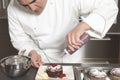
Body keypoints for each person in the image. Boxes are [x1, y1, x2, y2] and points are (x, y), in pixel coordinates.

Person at [7, 0, 118, 68]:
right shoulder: (13, 8)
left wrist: (83, 25)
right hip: (41, 62)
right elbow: (19, 38)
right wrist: (31, 52)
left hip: (72, 60)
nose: (32, 8)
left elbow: (108, 6)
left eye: (34, 1)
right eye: (25, 5)